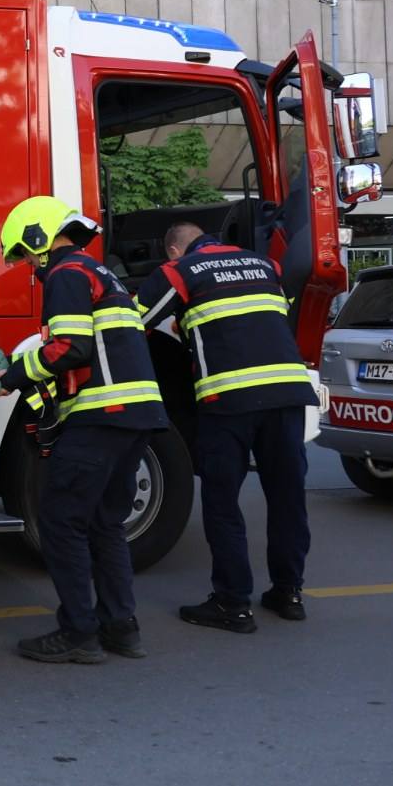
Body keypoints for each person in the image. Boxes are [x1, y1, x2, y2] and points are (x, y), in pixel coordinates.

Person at [0, 197, 169, 664]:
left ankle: (78, 632)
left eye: (25, 254)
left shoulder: (67, 274)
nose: (29, 266)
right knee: (105, 523)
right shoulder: (99, 272)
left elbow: (70, 348)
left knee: (60, 521)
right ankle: (121, 628)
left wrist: (12, 377)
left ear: (39, 238)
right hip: (135, 416)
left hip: (101, 416)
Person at [136, 221, 316, 631]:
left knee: (222, 503)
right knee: (287, 498)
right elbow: (265, 318)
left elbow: (131, 320)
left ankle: (233, 604)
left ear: (174, 251)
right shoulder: (265, 265)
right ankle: (288, 593)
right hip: (287, 393)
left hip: (229, 399)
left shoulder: (179, 271)